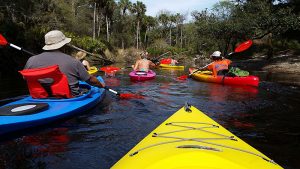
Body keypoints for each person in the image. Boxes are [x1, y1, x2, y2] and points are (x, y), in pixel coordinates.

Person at [24, 30, 105, 96]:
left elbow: (25, 78)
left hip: (40, 98)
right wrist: (101, 85)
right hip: (68, 98)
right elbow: (90, 80)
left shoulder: (31, 60)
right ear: (64, 45)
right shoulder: (73, 62)